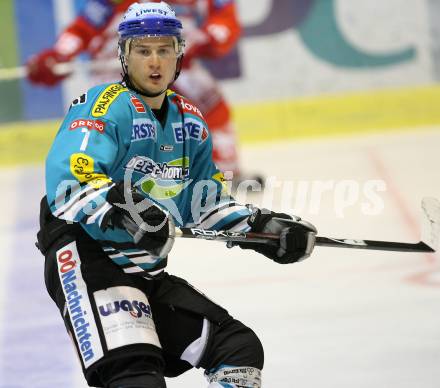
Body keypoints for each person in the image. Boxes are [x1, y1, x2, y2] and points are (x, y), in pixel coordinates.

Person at [36, 3, 317, 387]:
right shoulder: (103, 107)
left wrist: (262, 229)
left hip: (144, 271)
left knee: (237, 349)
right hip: (89, 257)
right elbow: (71, 180)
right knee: (136, 377)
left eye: (164, 49)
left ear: (179, 54)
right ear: (123, 55)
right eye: (143, 50)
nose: (155, 62)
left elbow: (204, 204)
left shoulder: (190, 121)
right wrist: (123, 211)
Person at [27, 0, 258, 183]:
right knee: (112, 120)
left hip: (177, 63)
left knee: (210, 104)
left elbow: (224, 19)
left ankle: (224, 174)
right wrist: (59, 55)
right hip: (119, 67)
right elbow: (85, 26)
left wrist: (207, 39)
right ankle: (96, 176)